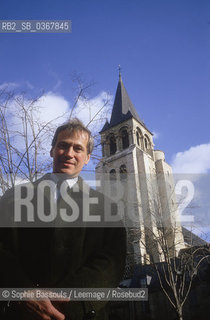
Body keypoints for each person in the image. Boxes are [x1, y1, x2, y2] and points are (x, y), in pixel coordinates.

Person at [0, 118, 126, 320]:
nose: (69, 154)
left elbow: (112, 262)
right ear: (52, 151)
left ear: (87, 158)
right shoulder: (14, 197)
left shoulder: (106, 207)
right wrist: (23, 292)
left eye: (78, 148)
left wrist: (71, 300)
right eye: (63, 146)